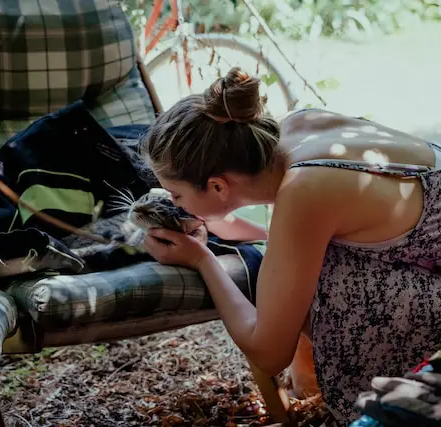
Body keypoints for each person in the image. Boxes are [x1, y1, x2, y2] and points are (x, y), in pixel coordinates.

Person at [139, 66, 441, 425]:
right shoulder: (297, 127)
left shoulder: (304, 191)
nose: (175, 204)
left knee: (325, 285)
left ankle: (387, 402)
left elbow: (269, 352)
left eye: (177, 195)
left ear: (219, 186)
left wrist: (202, 259)